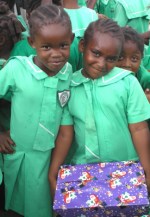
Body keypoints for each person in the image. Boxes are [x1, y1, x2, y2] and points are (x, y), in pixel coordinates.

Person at [49, 19, 150, 203]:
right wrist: (54, 168)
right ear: (82, 46)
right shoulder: (70, 85)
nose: (102, 63)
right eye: (96, 53)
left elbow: (139, 129)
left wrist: (148, 169)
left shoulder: (127, 83)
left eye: (111, 58)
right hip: (83, 170)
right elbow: (65, 132)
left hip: (126, 168)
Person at [0, 4, 74, 217]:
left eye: (63, 45)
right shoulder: (17, 69)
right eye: (46, 47)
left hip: (56, 155)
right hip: (25, 156)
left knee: (52, 204)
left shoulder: (68, 72)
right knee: (26, 206)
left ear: (72, 40)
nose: (56, 54)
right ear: (32, 43)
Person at [116, 26, 150, 102]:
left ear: (141, 58)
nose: (127, 64)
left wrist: (145, 101)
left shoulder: (145, 79)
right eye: (120, 57)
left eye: (134, 59)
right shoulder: (104, 74)